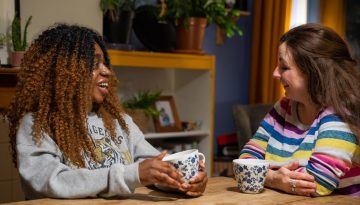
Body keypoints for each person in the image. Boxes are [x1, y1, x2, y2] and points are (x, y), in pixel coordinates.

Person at [6, 24, 207, 199]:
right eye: (94, 64)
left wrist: (181, 182)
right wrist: (131, 175)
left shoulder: (121, 122)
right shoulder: (36, 125)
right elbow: (50, 181)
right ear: (64, 73)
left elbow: (152, 169)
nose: (107, 71)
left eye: (105, 63)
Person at [239, 23, 360, 197]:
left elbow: (316, 183)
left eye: (284, 67)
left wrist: (264, 173)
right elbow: (244, 162)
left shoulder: (342, 113)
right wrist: (273, 178)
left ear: (314, 72)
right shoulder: (283, 107)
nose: (275, 73)